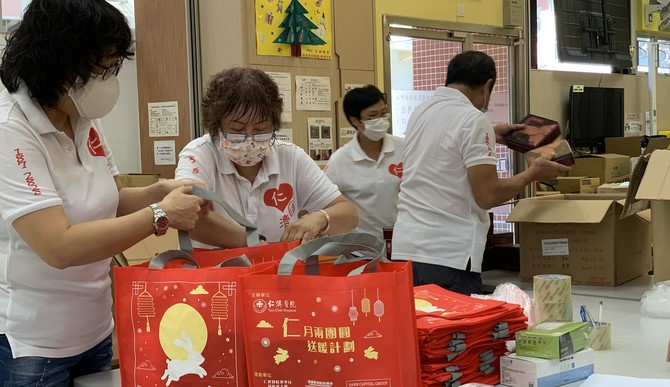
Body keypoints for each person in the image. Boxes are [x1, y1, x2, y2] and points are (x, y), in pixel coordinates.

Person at [0, 1, 205, 384]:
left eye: (112, 66)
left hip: (94, 330)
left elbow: (108, 202)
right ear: (56, 60)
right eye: (99, 67)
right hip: (33, 344)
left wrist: (160, 189)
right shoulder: (10, 129)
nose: (107, 78)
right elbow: (58, 246)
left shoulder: (82, 118)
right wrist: (160, 214)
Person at [391, 51, 570, 295]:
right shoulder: (473, 120)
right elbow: (488, 196)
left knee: (425, 330)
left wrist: (492, 133)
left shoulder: (421, 112)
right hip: (449, 255)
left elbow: (446, 146)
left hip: (408, 250)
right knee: (458, 331)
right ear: (487, 85)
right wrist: (532, 174)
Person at [175, 67, 358, 247]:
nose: (250, 139)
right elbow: (189, 216)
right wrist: (252, 243)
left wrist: (320, 218)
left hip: (273, 272)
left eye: (260, 129)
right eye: (237, 130)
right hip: (215, 274)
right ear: (216, 127)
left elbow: (348, 214)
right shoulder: (198, 155)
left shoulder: (290, 157)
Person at [325, 85, 404, 240]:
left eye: (383, 113)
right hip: (362, 248)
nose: (381, 120)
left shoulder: (405, 148)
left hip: (404, 244)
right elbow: (323, 201)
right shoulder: (340, 160)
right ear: (355, 121)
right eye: (373, 116)